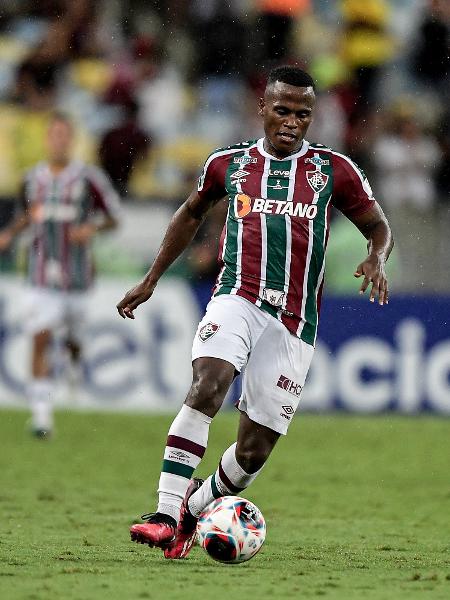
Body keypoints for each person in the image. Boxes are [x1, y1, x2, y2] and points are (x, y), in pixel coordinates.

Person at [117, 65, 393, 559]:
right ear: (263, 109)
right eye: (282, 110)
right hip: (236, 296)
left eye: (302, 114)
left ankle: (192, 510)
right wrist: (153, 277)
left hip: (294, 322)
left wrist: (377, 254)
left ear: (312, 118)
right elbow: (189, 213)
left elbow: (378, 225)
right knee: (209, 382)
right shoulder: (229, 164)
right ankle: (163, 511)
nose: (291, 122)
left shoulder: (334, 170)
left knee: (252, 453)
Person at [0, 112, 120, 438]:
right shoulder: (31, 179)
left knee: (73, 341)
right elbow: (29, 215)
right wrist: (9, 233)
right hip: (40, 273)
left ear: (72, 139)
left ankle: (74, 356)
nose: (59, 141)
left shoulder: (88, 179)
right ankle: (42, 418)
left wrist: (90, 228)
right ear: (47, 139)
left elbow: (113, 217)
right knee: (40, 337)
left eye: (64, 135)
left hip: (77, 276)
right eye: (54, 135)